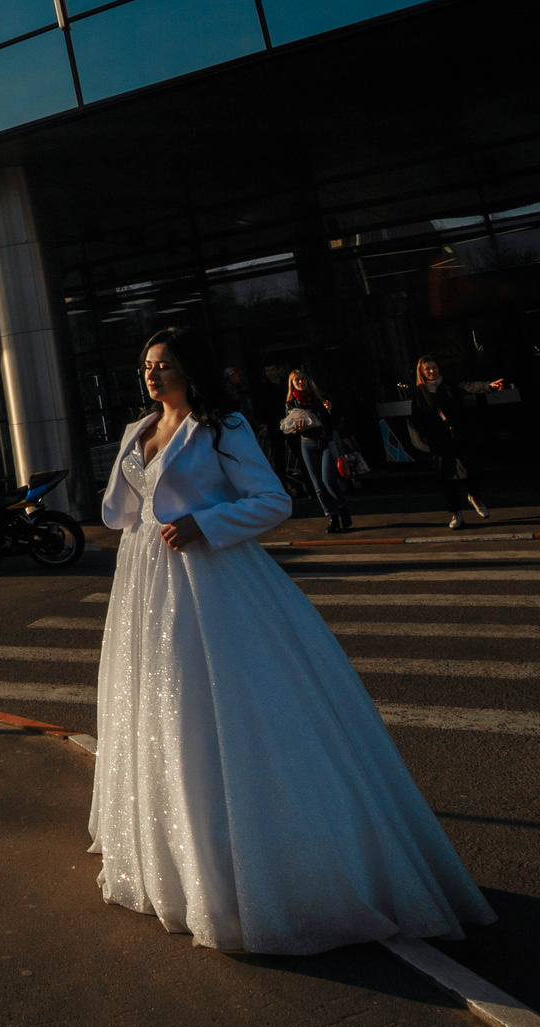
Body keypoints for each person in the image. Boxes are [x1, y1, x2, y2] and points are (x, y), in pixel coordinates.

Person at [90, 326, 493, 954]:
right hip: (145, 580)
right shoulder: (138, 430)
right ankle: (174, 853)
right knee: (160, 709)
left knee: (223, 706)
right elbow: (121, 509)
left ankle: (262, 862)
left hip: (210, 579)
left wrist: (206, 523)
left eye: (164, 364)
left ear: (190, 370)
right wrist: (135, 492)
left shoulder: (222, 429)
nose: (152, 374)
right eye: (146, 365)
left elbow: (273, 501)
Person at [406, 356, 495, 529]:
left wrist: (488, 386)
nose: (432, 371)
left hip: (459, 436)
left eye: (434, 367)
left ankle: (474, 497)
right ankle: (456, 514)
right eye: (428, 369)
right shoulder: (419, 393)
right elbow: (417, 420)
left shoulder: (447, 385)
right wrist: (427, 442)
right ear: (422, 372)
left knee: (470, 469)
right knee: (447, 479)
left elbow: (468, 386)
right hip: (439, 442)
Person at [282, 369, 351, 533]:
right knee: (318, 484)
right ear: (292, 385)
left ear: (308, 380)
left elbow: (335, 421)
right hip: (307, 443)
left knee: (328, 480)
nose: (300, 382)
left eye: (303, 379)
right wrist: (297, 429)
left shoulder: (319, 397)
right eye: (296, 380)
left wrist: (330, 410)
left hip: (326, 441)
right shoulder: (291, 403)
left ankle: (342, 508)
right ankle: (332, 516)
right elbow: (289, 427)